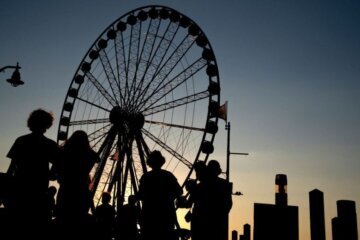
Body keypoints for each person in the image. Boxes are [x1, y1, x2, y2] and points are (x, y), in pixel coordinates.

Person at [6, 109, 59, 236]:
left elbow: (12, 167)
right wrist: (51, 174)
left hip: (19, 185)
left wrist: (7, 184)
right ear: (48, 124)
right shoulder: (50, 144)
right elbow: (57, 164)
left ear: (31, 122)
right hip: (39, 187)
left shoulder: (21, 140)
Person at [53, 130, 99, 233]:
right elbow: (97, 158)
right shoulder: (89, 155)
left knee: (63, 220)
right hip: (82, 191)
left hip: (66, 190)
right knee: (79, 223)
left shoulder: (63, 153)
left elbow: (53, 174)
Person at [137, 150, 183, 240]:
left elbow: (141, 195)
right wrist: (170, 197)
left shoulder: (145, 177)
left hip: (149, 214)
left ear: (149, 163)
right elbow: (179, 191)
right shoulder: (168, 175)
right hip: (167, 213)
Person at [205, 160, 233, 240]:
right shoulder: (225, 184)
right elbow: (229, 203)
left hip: (206, 221)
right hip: (220, 220)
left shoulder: (203, 184)